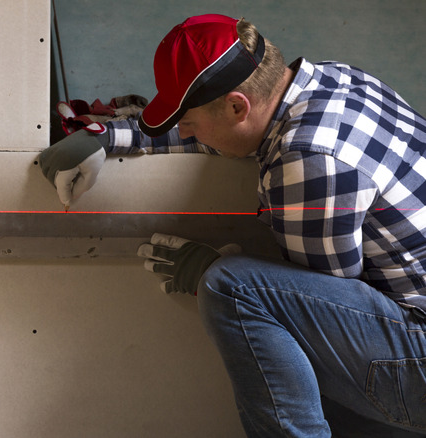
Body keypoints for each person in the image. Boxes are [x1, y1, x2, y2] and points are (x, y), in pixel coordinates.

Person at [39, 13, 426, 438]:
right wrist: (104, 137)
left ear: (237, 105)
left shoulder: (309, 161)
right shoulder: (333, 82)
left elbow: (321, 317)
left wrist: (206, 272)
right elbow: (220, 130)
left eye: (187, 119)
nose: (182, 131)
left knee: (233, 287)